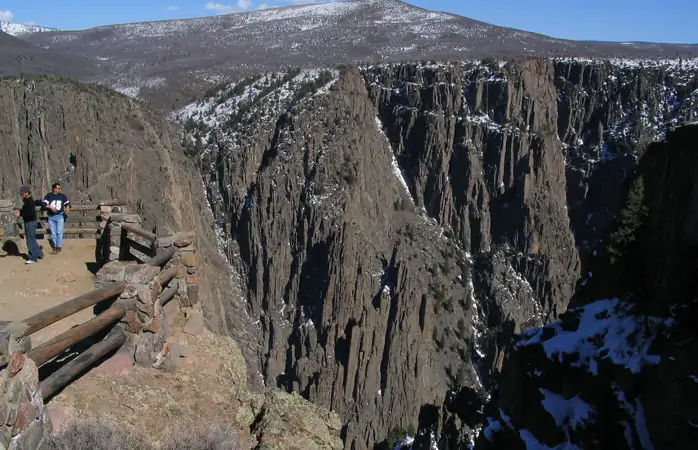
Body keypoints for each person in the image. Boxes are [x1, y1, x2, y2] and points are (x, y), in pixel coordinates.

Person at [14, 185, 44, 264]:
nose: (21, 195)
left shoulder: (29, 202)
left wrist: (20, 214)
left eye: (22, 194)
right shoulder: (28, 201)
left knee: (29, 241)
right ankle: (39, 253)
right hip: (31, 222)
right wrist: (21, 213)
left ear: (27, 193)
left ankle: (33, 257)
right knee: (32, 239)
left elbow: (29, 213)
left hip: (30, 222)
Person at [42, 182, 71, 254]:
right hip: (51, 216)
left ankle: (59, 246)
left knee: (59, 232)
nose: (59, 189)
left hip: (60, 216)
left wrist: (67, 207)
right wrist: (50, 207)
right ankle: (55, 246)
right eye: (58, 188)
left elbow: (67, 203)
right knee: (53, 233)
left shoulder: (62, 196)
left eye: (60, 188)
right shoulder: (49, 196)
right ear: (54, 189)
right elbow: (43, 204)